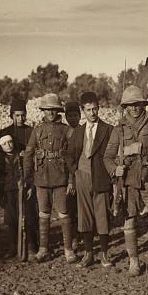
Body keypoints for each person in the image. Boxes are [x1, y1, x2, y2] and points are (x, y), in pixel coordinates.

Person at [104, 85, 148, 278]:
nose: (134, 108)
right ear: (124, 106)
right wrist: (114, 169)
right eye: (130, 105)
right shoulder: (119, 128)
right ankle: (134, 261)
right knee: (129, 221)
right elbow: (107, 156)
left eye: (138, 104)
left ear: (144, 104)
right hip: (129, 182)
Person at [23, 93, 75, 263]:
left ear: (58, 110)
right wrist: (27, 178)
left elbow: (73, 156)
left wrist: (70, 180)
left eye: (53, 110)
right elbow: (29, 154)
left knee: (63, 213)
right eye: (47, 110)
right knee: (43, 213)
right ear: (43, 111)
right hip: (41, 178)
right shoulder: (37, 130)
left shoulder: (67, 130)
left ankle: (68, 250)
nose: (50, 113)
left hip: (61, 178)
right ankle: (44, 249)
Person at [68, 92, 114, 268]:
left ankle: (104, 254)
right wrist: (76, 171)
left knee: (102, 216)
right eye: (88, 110)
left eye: (95, 109)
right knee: (84, 216)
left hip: (101, 177)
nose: (93, 113)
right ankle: (88, 254)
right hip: (82, 177)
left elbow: (113, 154)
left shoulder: (108, 130)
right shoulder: (78, 131)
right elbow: (69, 154)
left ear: (99, 108)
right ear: (83, 110)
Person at [0, 97, 39, 254]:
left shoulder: (32, 132)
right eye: (17, 115)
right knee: (11, 217)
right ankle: (14, 246)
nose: (20, 118)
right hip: (10, 182)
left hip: (27, 179)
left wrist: (28, 156)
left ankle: (32, 245)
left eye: (23, 115)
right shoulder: (5, 133)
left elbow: (37, 155)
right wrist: (9, 155)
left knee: (30, 214)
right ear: (11, 116)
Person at [0, 134, 23, 258]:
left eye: (10, 142)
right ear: (1, 147)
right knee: (11, 220)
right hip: (8, 192)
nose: (8, 145)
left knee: (24, 217)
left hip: (20, 191)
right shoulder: (1, 161)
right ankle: (12, 246)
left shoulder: (20, 157)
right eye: (5, 144)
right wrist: (0, 195)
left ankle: (29, 244)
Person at [64, 100, 82, 250]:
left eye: (75, 115)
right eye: (69, 116)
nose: (72, 118)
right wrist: (70, 179)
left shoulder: (83, 131)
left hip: (81, 173)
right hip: (67, 175)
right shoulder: (64, 132)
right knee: (70, 208)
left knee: (81, 207)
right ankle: (73, 237)